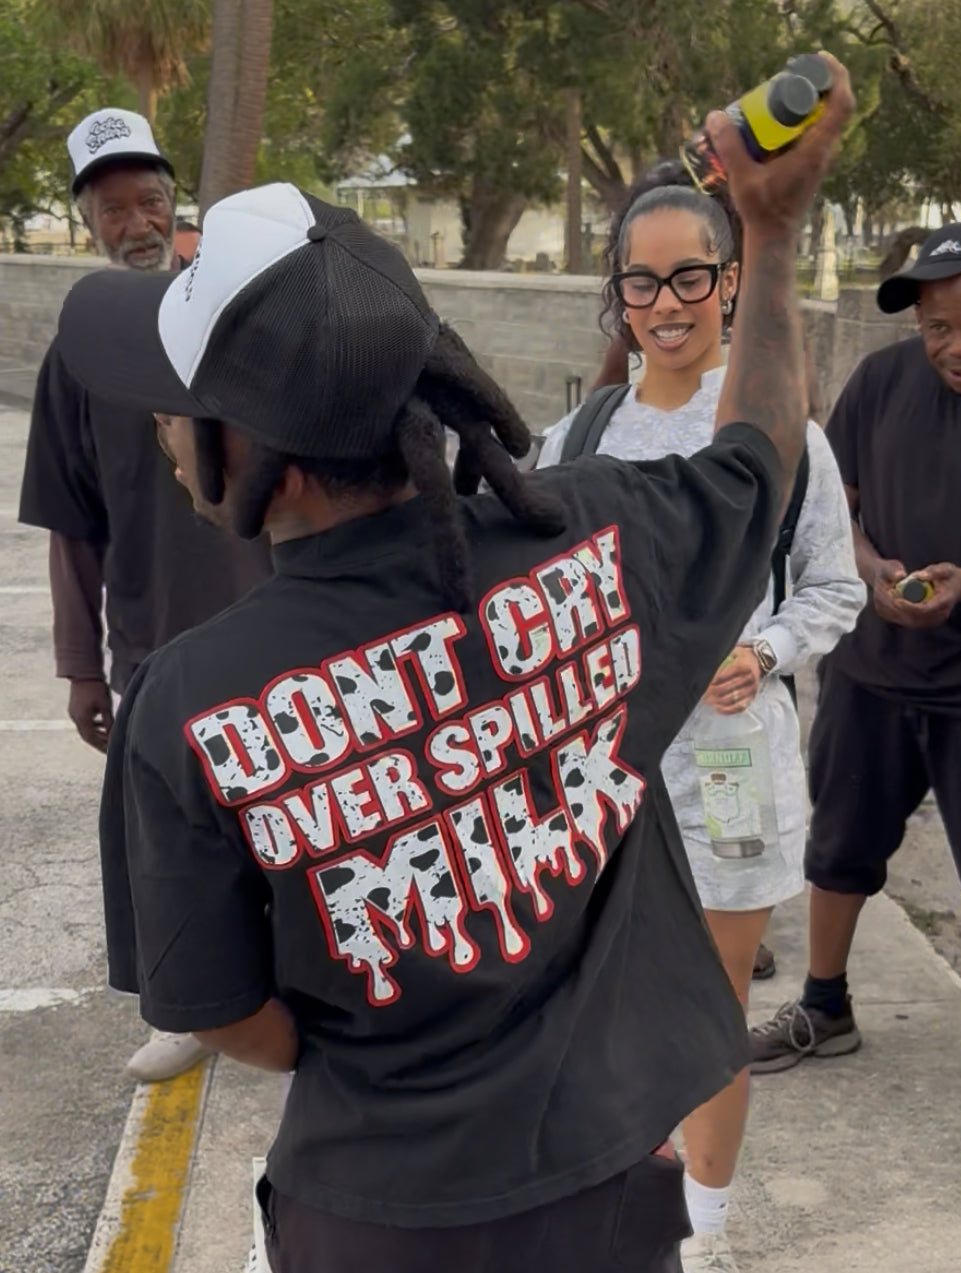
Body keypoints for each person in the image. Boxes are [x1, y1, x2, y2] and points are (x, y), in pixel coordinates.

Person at [54, 60, 853, 1273]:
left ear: (266, 447)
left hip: (376, 1215)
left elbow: (220, 1010)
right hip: (609, 1193)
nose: (162, 429)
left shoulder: (191, 697)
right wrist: (775, 233)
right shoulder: (600, 539)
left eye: (178, 402)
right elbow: (757, 451)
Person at [537, 161, 864, 1271]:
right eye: (641, 282)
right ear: (614, 294)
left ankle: (706, 1227)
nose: (665, 304)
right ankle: (605, 1198)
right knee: (588, 993)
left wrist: (763, 649)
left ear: (730, 283)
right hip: (600, 769)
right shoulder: (577, 439)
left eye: (689, 278)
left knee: (711, 999)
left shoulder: (782, 435)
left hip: (726, 761)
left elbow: (834, 584)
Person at [749, 220, 961, 1165]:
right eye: (936, 328)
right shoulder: (884, 382)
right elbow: (836, 506)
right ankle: (824, 1007)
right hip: (870, 667)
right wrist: (868, 570)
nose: (955, 347)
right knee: (840, 842)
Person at [18, 108, 272, 1083]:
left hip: (267, 624)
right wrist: (81, 664)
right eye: (113, 205)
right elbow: (71, 516)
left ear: (176, 208)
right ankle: (189, 1015)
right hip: (152, 638)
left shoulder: (236, 323)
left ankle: (296, 988)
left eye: (150, 199)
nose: (136, 219)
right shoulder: (80, 352)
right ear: (86, 218)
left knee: (284, 819)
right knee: (168, 843)